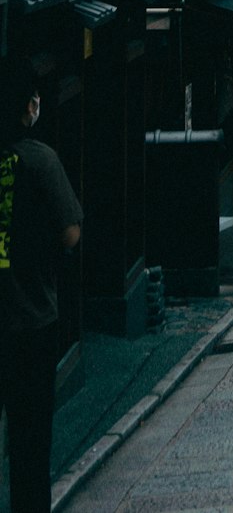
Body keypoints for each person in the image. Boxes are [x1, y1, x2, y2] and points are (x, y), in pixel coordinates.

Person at [0, 57, 83, 513]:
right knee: (30, 441)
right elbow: (70, 233)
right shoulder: (39, 160)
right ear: (27, 106)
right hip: (30, 317)